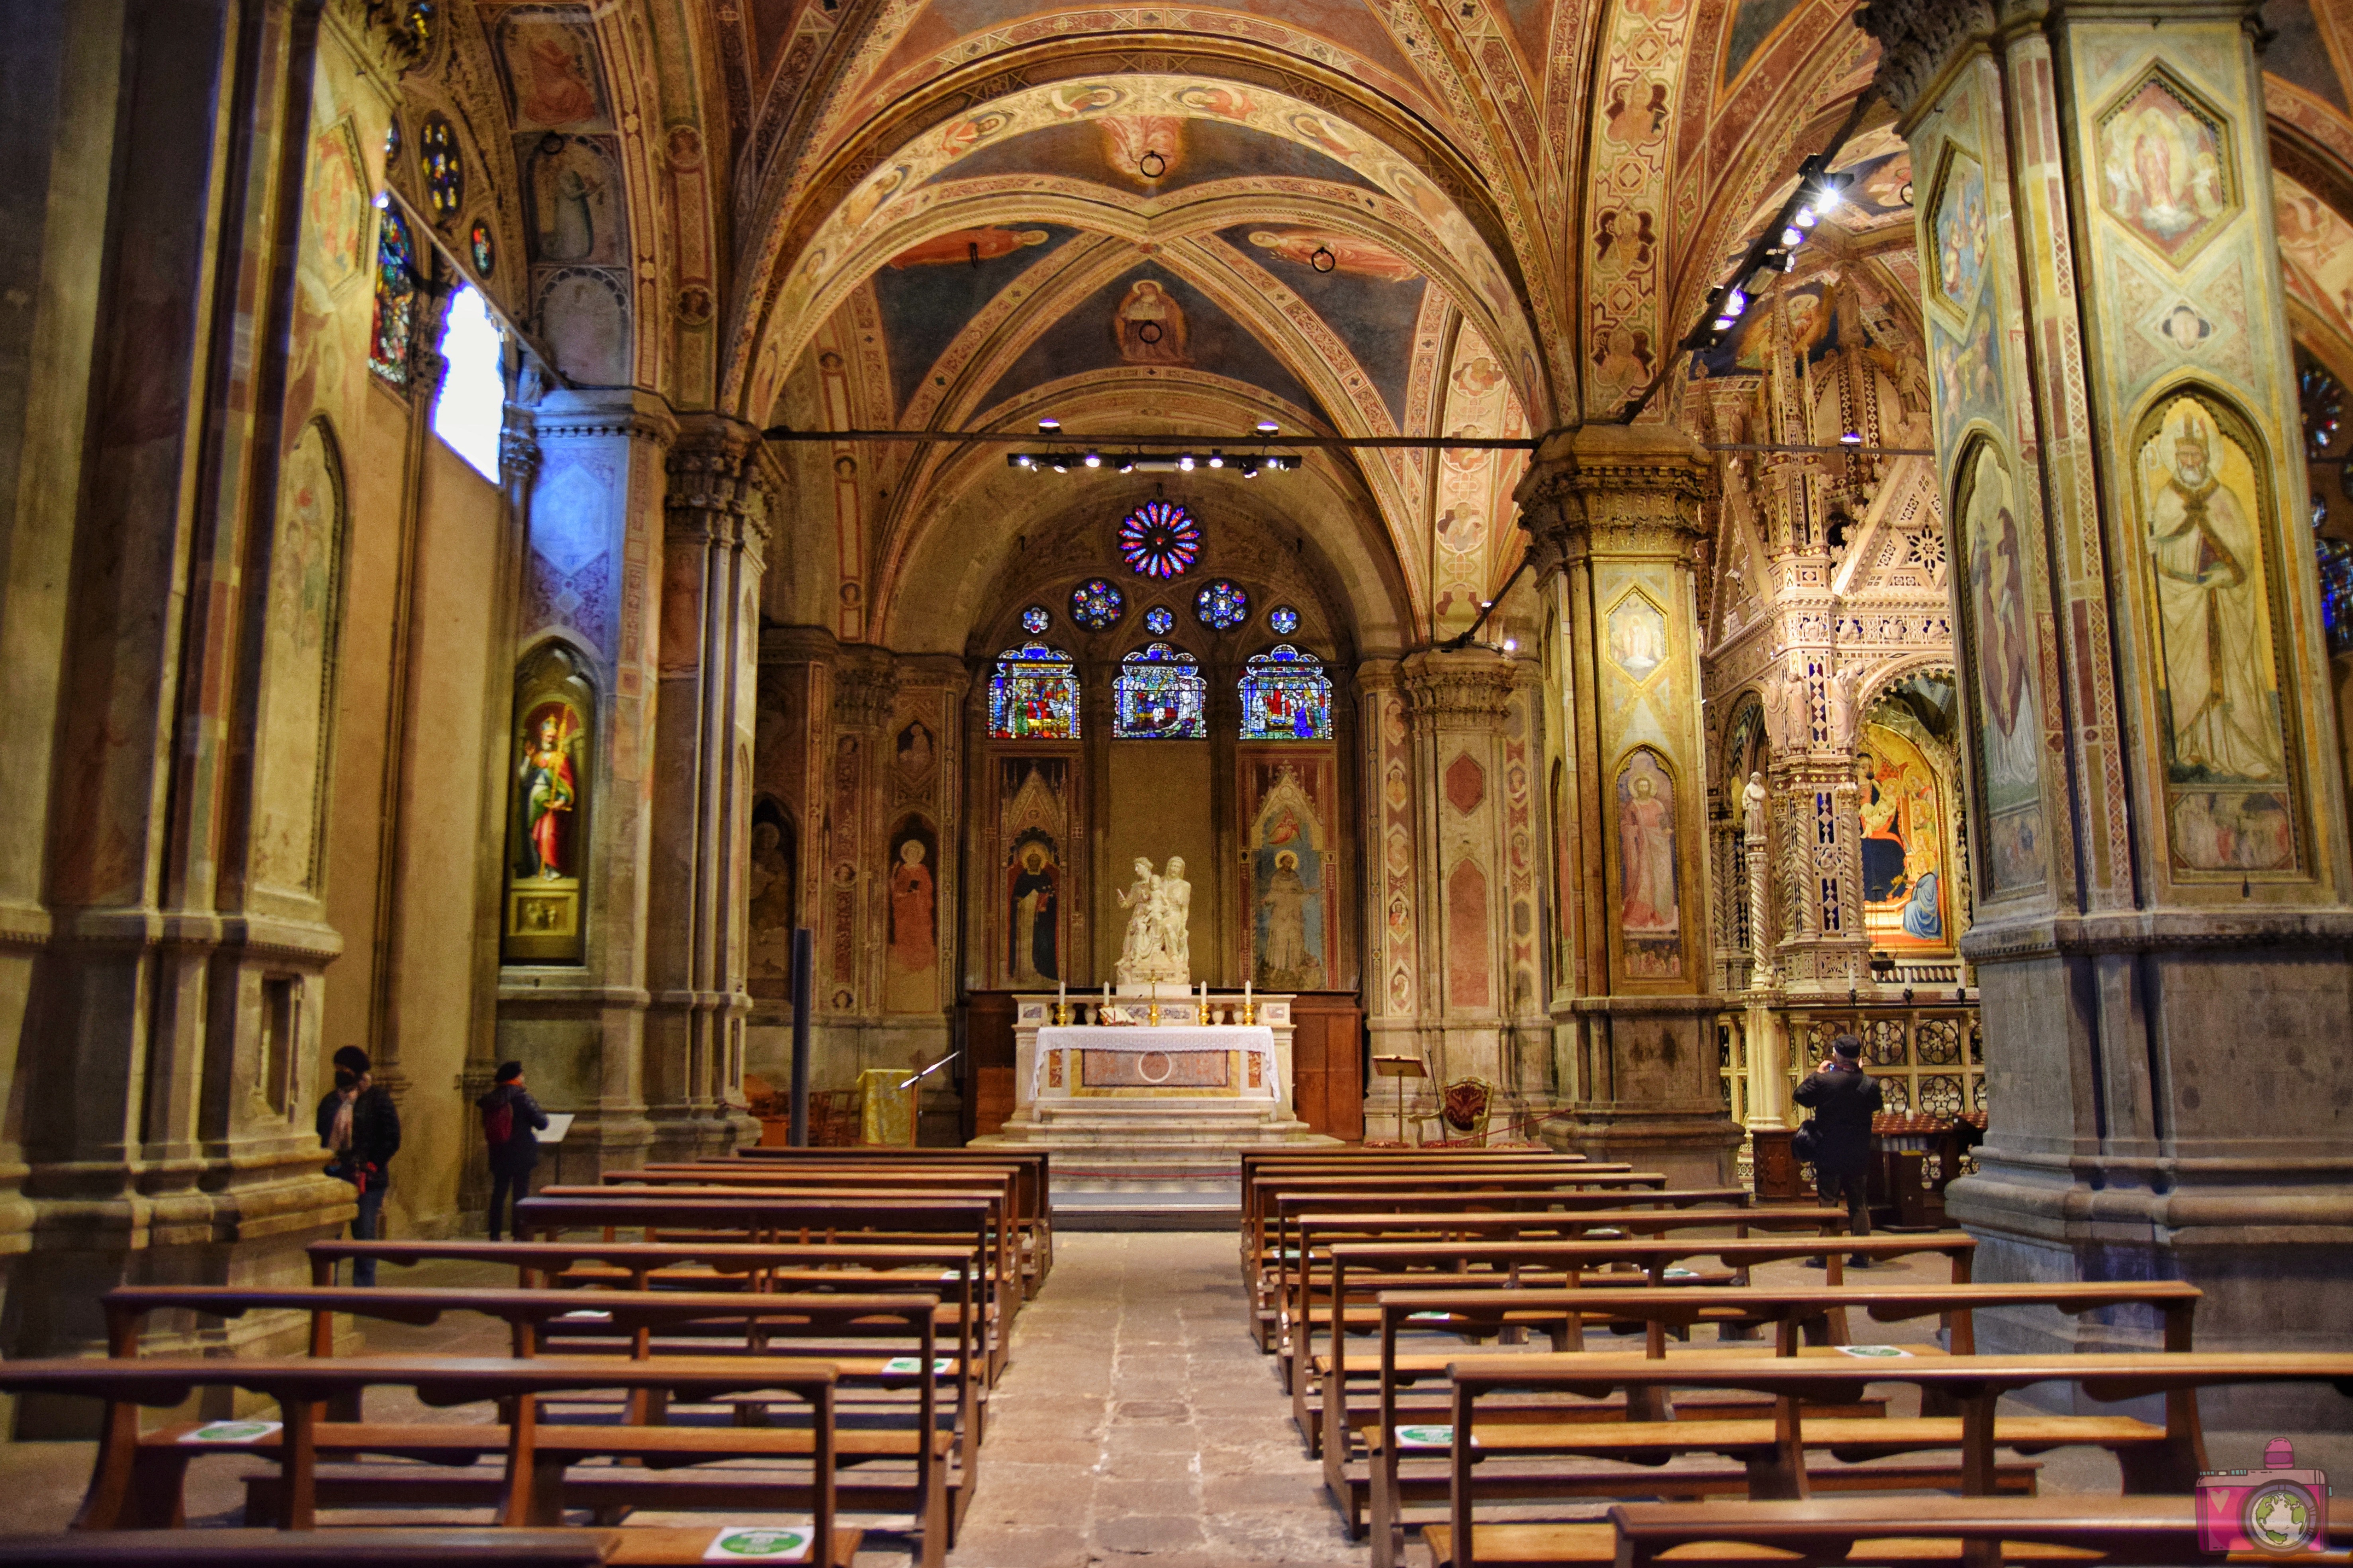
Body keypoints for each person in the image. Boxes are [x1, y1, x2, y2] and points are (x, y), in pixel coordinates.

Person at [1793, 1033, 1882, 1265]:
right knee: (1859, 1203)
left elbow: (1800, 1096)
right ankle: (1861, 1255)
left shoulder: (1824, 1081)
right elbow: (1876, 1104)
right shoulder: (1868, 1083)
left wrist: (1819, 1073)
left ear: (1836, 1055)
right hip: (1858, 1152)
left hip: (1828, 1150)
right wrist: (1861, 1074)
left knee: (1828, 1202)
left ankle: (1826, 1256)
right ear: (1859, 1057)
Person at [316, 1046, 400, 1285]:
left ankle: (363, 1292)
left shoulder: (377, 1099)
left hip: (367, 1177)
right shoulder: (331, 1101)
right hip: (334, 1173)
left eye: (344, 1069)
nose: (340, 1073)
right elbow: (319, 1134)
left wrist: (372, 1165)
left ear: (356, 1071)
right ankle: (328, 1289)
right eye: (337, 1069)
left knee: (364, 1236)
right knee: (329, 1236)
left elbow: (391, 1138)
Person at [478, 1060, 550, 1242]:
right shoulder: (522, 1097)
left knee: (499, 1192)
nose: (523, 1077)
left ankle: (494, 1234)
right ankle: (519, 1233)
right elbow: (542, 1123)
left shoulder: (492, 1098)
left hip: (499, 1150)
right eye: (521, 1074)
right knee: (521, 1194)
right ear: (516, 1077)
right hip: (521, 1151)